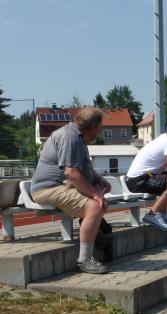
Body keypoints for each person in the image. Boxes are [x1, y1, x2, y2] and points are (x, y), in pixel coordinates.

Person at [30, 107, 111, 274]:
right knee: (94, 206)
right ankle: (84, 260)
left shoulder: (77, 136)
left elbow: (80, 168)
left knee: (99, 201)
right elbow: (71, 173)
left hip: (61, 184)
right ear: (93, 127)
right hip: (49, 187)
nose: (99, 132)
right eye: (100, 128)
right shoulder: (70, 137)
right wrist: (94, 193)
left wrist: (98, 181)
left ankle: (96, 233)